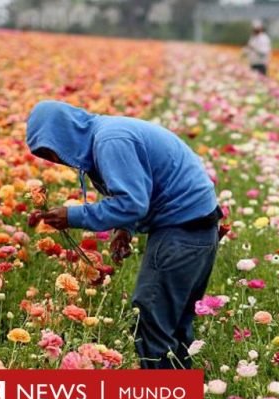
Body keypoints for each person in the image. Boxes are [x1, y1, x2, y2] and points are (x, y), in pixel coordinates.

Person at [26, 100, 221, 372]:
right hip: (196, 227)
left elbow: (132, 202)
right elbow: (142, 187)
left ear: (65, 132)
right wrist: (125, 229)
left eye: (52, 150)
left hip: (182, 229)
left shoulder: (110, 141)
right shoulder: (104, 134)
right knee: (173, 323)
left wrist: (72, 216)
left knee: (151, 317)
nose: (56, 160)